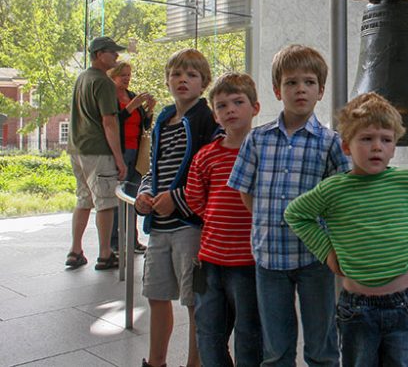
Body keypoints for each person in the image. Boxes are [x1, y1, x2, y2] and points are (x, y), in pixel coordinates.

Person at [285, 92, 408, 367]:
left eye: (385, 140)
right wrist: (326, 252)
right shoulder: (334, 189)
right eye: (366, 139)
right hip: (356, 309)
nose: (376, 147)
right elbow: (296, 213)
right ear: (346, 146)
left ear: (394, 146)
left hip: (404, 306)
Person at [228, 44, 351, 367]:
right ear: (277, 90)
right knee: (276, 348)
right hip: (270, 257)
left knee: (322, 346)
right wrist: (267, 221)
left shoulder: (331, 143)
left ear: (321, 90)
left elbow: (342, 199)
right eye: (291, 82)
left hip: (316, 259)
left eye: (309, 82)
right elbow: (245, 191)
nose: (300, 89)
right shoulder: (257, 139)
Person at [134, 48, 218, 367]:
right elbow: (154, 170)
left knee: (194, 301)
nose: (183, 80)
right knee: (156, 295)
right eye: (176, 74)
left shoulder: (207, 119)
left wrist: (178, 199)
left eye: (191, 75)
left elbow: (212, 172)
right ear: (168, 80)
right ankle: (156, 362)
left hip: (190, 227)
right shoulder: (163, 121)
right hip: (159, 227)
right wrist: (145, 196)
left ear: (204, 82)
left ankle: (194, 364)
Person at [185, 72, 263, 367]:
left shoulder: (264, 153)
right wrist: (217, 218)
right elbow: (195, 197)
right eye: (221, 105)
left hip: (249, 263)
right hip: (210, 261)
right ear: (215, 115)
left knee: (249, 332)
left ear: (254, 108)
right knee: (208, 331)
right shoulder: (206, 156)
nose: (229, 110)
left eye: (237, 102)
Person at [66, 36, 128, 271]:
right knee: (105, 202)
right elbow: (109, 122)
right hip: (98, 150)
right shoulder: (103, 82)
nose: (116, 56)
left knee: (83, 199)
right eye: (112, 52)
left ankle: (75, 250)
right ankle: (105, 254)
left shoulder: (82, 77)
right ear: (99, 54)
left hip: (77, 149)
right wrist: (119, 159)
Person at [108, 61, 155, 254]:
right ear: (113, 76)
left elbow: (144, 124)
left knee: (134, 195)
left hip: (135, 151)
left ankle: (133, 239)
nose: (127, 78)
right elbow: (112, 121)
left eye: (129, 75)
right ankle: (115, 242)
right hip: (118, 150)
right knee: (117, 198)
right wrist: (130, 107)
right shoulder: (109, 97)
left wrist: (149, 109)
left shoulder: (132, 96)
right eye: (123, 75)